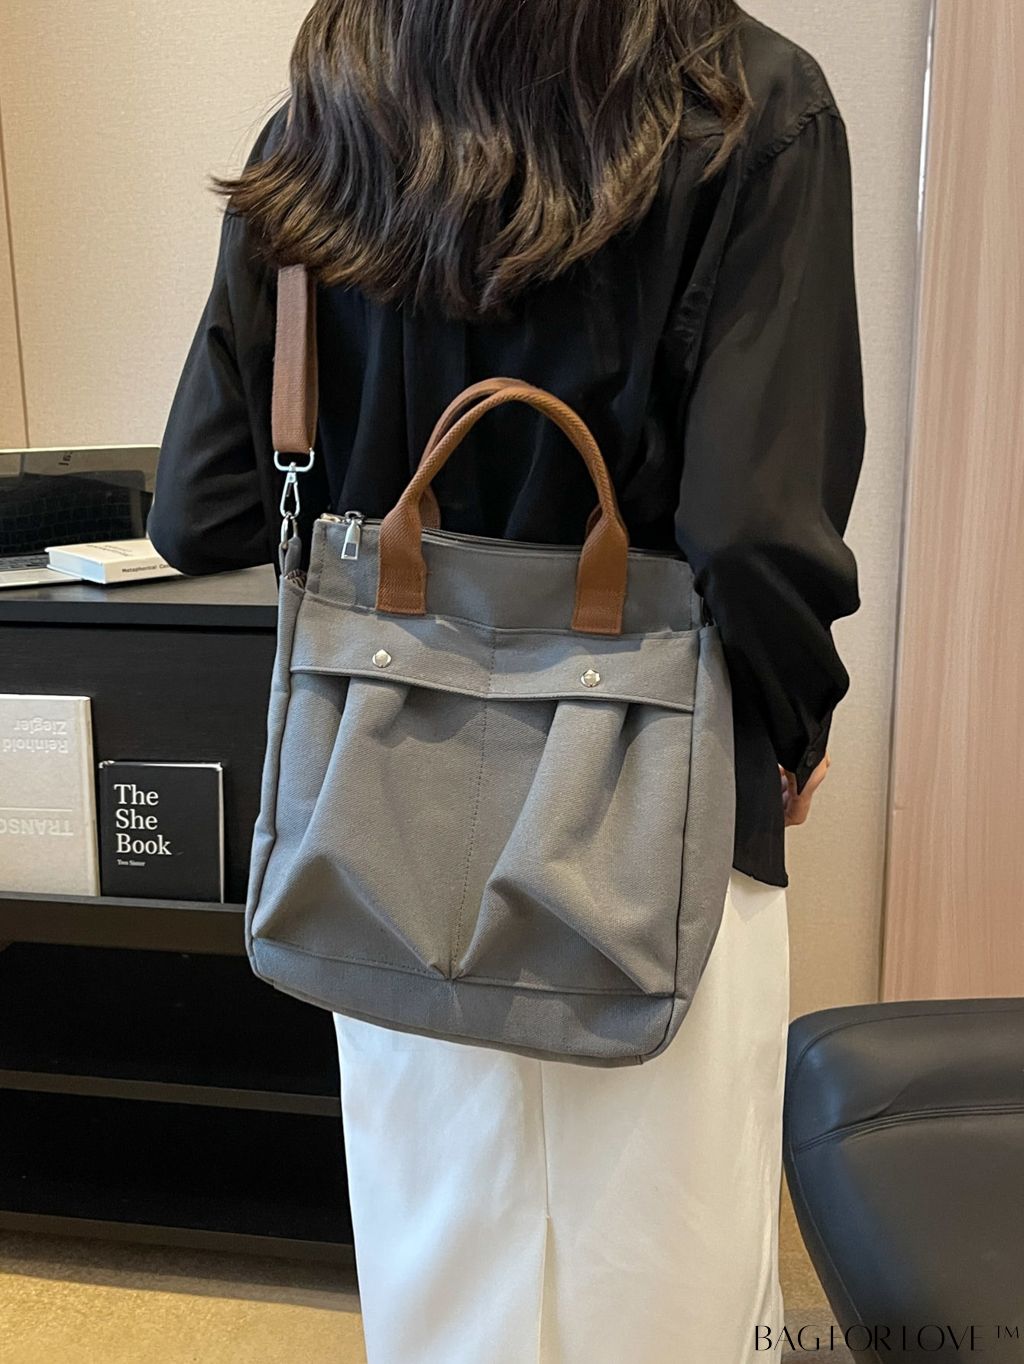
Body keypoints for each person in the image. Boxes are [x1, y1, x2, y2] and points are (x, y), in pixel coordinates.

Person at [148, 1, 865, 1358]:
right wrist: (795, 721)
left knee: (445, 1287)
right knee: (665, 1284)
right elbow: (752, 530)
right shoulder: (753, 103)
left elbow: (205, 510)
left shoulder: (327, 123)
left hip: (385, 815)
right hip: (658, 807)